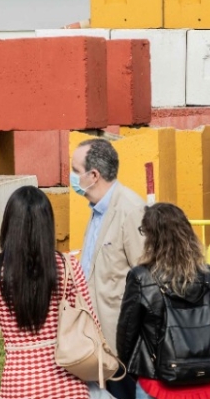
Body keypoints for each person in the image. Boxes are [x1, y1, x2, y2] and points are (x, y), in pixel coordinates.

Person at [0, 186, 98, 399]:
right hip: (69, 378)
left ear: (9, 224)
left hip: (19, 383)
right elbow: (90, 322)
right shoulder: (68, 266)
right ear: (47, 224)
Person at [116, 204, 210, 399]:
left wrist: (132, 367)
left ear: (151, 237)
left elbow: (127, 335)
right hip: (204, 380)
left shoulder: (141, 277)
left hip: (156, 381)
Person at [71, 138, 149, 399]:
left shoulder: (131, 210)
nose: (71, 177)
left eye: (75, 170)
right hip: (95, 342)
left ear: (94, 175)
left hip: (122, 346)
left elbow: (147, 279)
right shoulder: (96, 211)